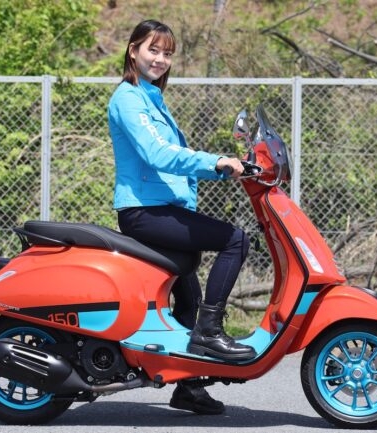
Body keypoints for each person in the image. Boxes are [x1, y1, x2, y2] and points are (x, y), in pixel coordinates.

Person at [107, 19, 256, 415]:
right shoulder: (129, 98)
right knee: (235, 239)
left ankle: (187, 388)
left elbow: (171, 158)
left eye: (167, 53)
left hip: (164, 209)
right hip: (144, 212)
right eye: (153, 50)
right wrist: (216, 161)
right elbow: (157, 154)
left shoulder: (152, 97)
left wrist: (229, 167)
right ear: (133, 51)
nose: (160, 59)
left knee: (188, 299)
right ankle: (210, 331)